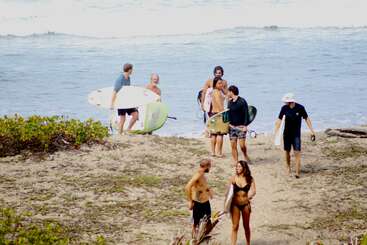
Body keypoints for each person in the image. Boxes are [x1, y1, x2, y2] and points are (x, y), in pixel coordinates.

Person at [274, 93, 316, 178]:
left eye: (287, 102)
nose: (285, 103)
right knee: (287, 152)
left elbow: (306, 118)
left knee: (297, 152)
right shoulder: (284, 108)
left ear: (291, 101)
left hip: (296, 134)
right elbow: (279, 120)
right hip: (286, 134)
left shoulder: (300, 108)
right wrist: (276, 132)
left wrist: (312, 131)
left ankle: (297, 172)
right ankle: (288, 167)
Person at [227, 160, 256, 245]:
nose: (237, 168)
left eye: (239, 166)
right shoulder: (233, 178)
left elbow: (254, 191)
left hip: (245, 204)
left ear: (244, 168)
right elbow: (228, 192)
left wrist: (249, 196)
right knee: (235, 226)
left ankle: (248, 243)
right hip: (235, 205)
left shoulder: (250, 179)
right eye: (237, 166)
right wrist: (227, 205)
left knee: (246, 226)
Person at [185, 159, 213, 236]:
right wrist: (190, 201)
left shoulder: (202, 174)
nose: (210, 168)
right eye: (209, 166)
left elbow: (202, 186)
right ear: (206, 166)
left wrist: (209, 192)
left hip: (205, 202)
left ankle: (202, 238)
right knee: (196, 225)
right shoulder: (198, 175)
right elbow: (187, 187)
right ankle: (195, 240)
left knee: (208, 222)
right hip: (198, 203)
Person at [110, 63, 138, 134]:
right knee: (123, 119)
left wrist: (134, 101)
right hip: (121, 102)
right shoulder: (120, 79)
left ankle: (128, 130)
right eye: (132, 69)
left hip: (127, 101)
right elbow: (114, 92)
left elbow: (128, 91)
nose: (132, 71)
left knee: (135, 115)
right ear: (129, 70)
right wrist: (112, 104)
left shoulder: (128, 78)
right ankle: (119, 134)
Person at [227, 85, 251, 164]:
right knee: (233, 146)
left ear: (231, 92)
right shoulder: (229, 102)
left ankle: (245, 154)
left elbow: (246, 114)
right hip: (232, 127)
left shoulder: (242, 101)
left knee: (242, 146)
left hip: (241, 127)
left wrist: (245, 126)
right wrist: (228, 125)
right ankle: (236, 161)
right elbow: (227, 114)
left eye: (228, 91)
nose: (227, 93)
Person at [205, 77, 225, 157]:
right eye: (219, 83)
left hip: (213, 114)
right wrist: (223, 112)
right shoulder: (216, 92)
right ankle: (218, 153)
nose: (221, 85)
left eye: (221, 83)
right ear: (215, 84)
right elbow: (219, 103)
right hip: (218, 114)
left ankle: (213, 152)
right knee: (219, 134)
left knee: (214, 134)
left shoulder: (215, 91)